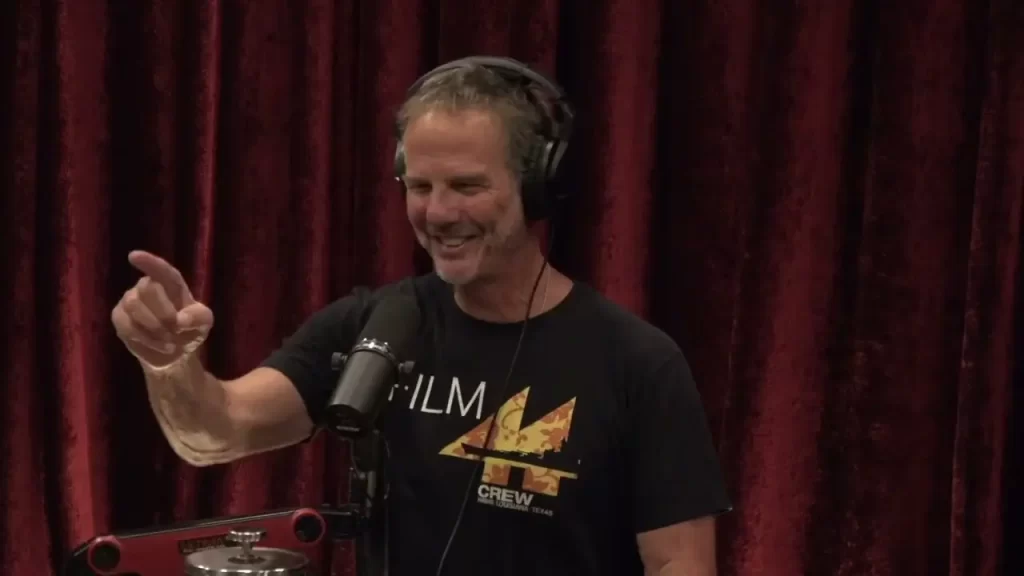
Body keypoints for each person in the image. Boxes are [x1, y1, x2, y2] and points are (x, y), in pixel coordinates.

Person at [110, 56, 732, 576]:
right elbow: (216, 432)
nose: (437, 213)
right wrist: (169, 364)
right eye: (420, 186)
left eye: (466, 186)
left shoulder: (636, 364)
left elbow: (679, 564)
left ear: (538, 187)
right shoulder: (372, 325)